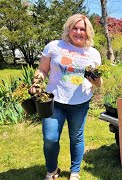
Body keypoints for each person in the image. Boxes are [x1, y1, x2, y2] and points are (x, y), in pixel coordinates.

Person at [29, 14, 102, 180]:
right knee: (50, 138)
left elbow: (99, 83)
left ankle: (75, 172)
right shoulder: (54, 46)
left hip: (80, 102)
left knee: (76, 137)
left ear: (87, 31)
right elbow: (42, 70)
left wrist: (97, 80)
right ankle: (52, 170)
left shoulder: (93, 53)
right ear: (68, 29)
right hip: (53, 101)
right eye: (74, 28)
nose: (78, 32)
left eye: (82, 29)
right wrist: (36, 83)